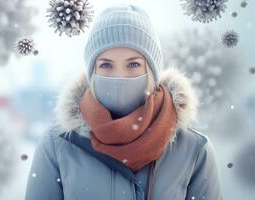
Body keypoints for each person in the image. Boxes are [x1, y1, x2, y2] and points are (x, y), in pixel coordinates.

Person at [25, 3, 222, 200]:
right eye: (106, 65)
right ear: (93, 72)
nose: (120, 76)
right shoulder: (58, 145)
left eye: (134, 64)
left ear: (151, 72)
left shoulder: (193, 150)